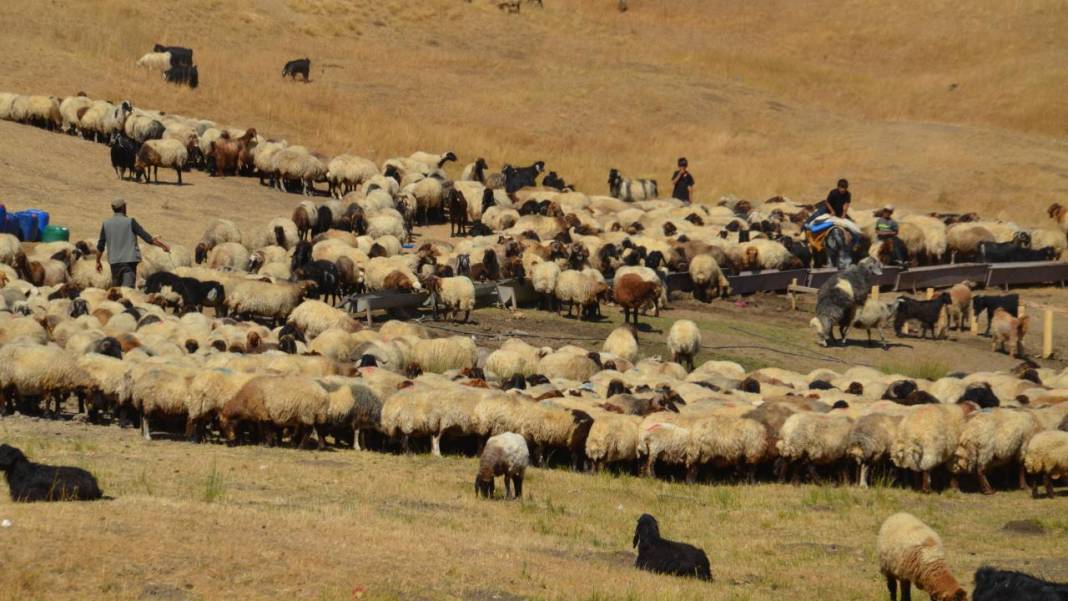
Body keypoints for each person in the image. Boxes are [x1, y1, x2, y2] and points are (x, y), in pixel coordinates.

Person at [96, 198, 170, 287]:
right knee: (127, 291)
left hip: (114, 263)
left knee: (117, 291)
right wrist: (163, 246)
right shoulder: (130, 221)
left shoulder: (106, 223)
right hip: (129, 263)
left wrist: (98, 261)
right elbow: (147, 238)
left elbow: (100, 245)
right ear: (123, 207)